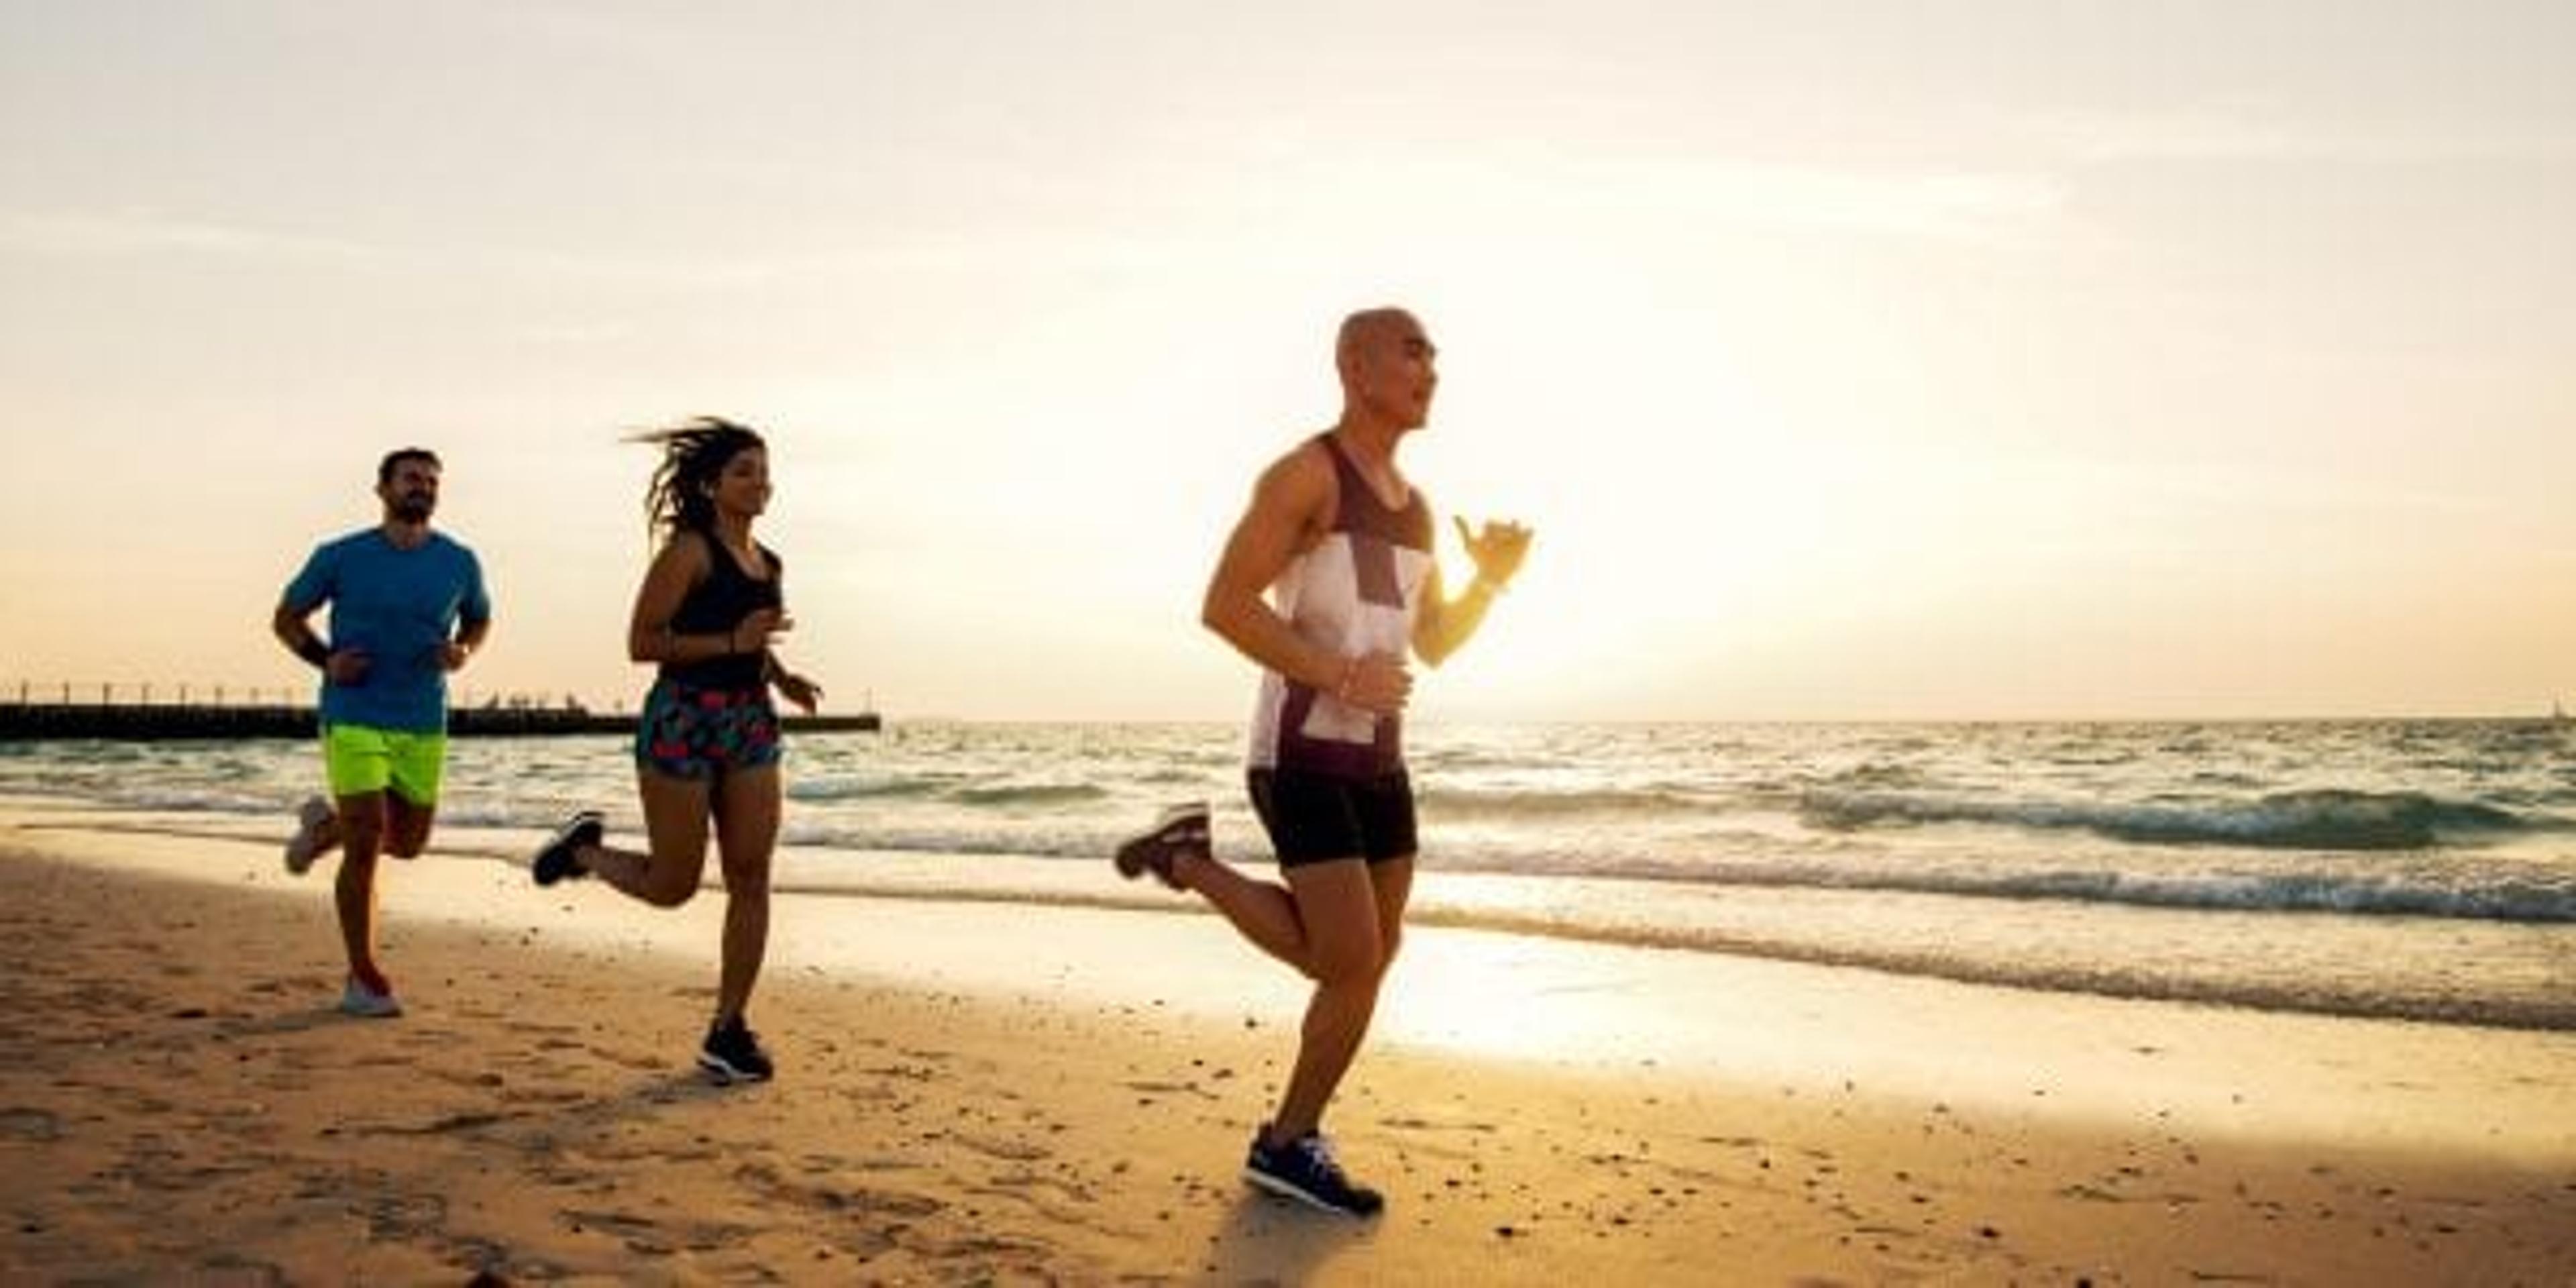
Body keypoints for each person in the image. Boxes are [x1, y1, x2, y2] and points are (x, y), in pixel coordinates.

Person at [1116, 307, 1531, 1216]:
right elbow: (1226, 605)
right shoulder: (1306, 475)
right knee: (1347, 960)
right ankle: (1285, 1133)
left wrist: (1492, 581)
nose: (1433, 367)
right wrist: (1340, 672)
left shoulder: (1417, 507)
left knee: (1374, 956)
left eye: (1437, 354)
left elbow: (1436, 644)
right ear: (1355, 363)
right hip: (1299, 753)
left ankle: (1287, 1135)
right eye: (1414, 349)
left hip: (1381, 762)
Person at [529, 417, 822, 1085]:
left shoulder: (768, 563)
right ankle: (583, 852)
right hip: (683, 720)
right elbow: (643, 642)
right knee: (674, 885)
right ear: (713, 484)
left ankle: (728, 1028)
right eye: (744, 470)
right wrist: (732, 646)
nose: (759, 481)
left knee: (752, 876)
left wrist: (781, 675)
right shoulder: (689, 551)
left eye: (764, 470)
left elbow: (754, 639)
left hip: (749, 723)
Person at [275, 447, 493, 1019]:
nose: (421, 488)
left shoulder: (459, 561)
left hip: (422, 718)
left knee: (410, 843)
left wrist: (463, 650)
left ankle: (326, 830)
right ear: (383, 489)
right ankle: (363, 977)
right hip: (353, 713)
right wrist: (326, 662)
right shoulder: (341, 556)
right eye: (410, 479)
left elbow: (479, 618)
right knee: (369, 839)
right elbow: (286, 618)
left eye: (430, 481)